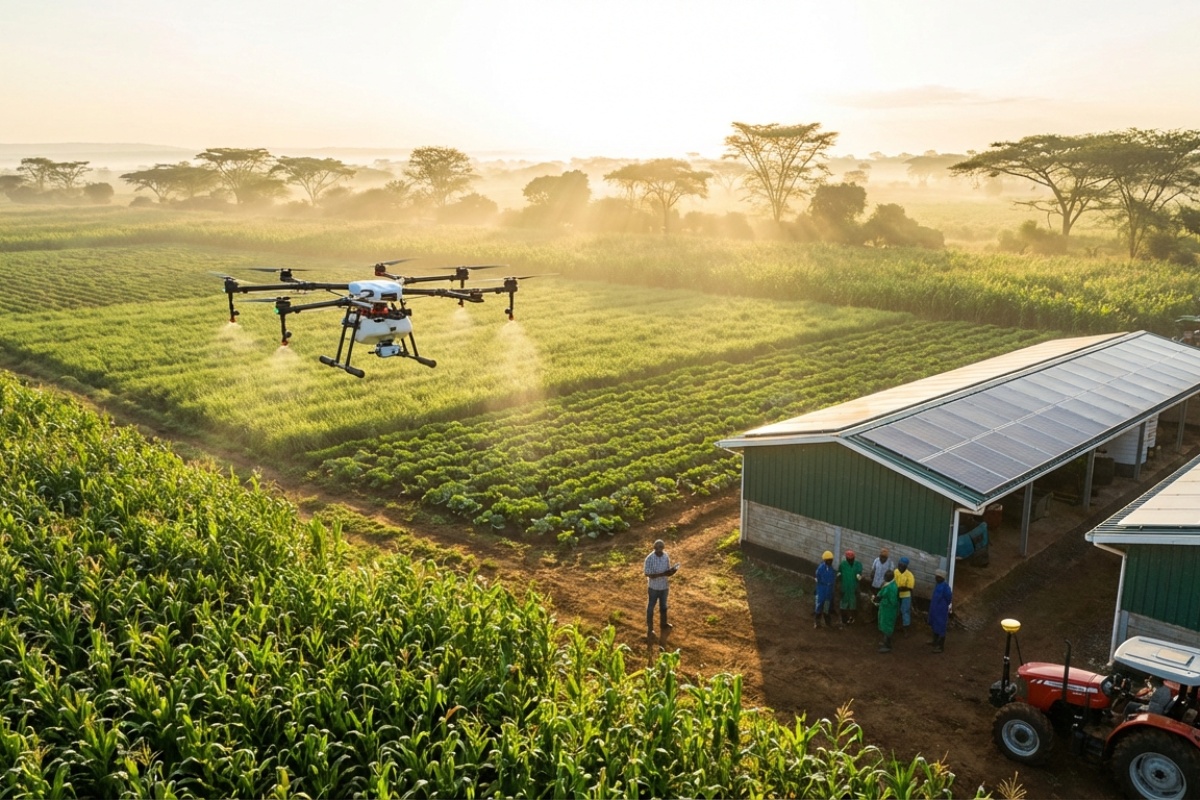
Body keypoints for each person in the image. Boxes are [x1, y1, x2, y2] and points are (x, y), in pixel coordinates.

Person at [643, 539, 677, 641]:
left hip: (664, 587)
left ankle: (663, 624)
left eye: (662, 548)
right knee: (650, 608)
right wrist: (663, 574)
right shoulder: (649, 559)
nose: (660, 550)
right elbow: (647, 574)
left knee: (663, 607)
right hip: (653, 587)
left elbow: (667, 570)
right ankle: (650, 629)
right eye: (658, 548)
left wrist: (672, 572)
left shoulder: (665, 556)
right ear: (654, 548)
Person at [875, 569, 899, 653]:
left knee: (887, 626)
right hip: (885, 608)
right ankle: (885, 642)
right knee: (884, 624)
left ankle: (887, 645)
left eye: (886, 576)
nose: (884, 578)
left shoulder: (891, 587)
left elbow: (893, 601)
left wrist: (881, 599)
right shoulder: (890, 584)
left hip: (889, 609)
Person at [928, 568, 952, 653]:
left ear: (943, 578)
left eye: (938, 577)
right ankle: (935, 641)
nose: (937, 579)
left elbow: (949, 598)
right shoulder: (938, 585)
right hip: (935, 609)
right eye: (936, 577)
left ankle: (940, 647)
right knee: (935, 624)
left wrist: (943, 606)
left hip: (941, 610)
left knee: (941, 627)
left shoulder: (946, 587)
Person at [837, 550, 863, 625]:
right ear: (846, 558)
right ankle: (843, 619)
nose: (850, 560)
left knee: (853, 604)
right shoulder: (843, 565)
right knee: (843, 603)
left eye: (852, 558)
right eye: (849, 559)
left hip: (853, 587)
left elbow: (859, 574)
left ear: (854, 558)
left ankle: (852, 618)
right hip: (845, 587)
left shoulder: (858, 565)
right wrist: (839, 582)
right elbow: (839, 573)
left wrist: (859, 576)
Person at [869, 547, 894, 621]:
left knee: (881, 603)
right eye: (881, 556)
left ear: (887, 557)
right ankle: (873, 617)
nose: (882, 558)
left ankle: (880, 618)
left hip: (884, 587)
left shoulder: (890, 563)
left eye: (884, 557)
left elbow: (891, 575)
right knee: (874, 601)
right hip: (875, 585)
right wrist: (872, 576)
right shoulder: (876, 560)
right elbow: (873, 570)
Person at [814, 550, 836, 629]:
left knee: (827, 604)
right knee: (820, 603)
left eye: (831, 560)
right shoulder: (821, 568)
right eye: (828, 560)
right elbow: (818, 578)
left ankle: (827, 622)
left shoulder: (831, 569)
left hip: (829, 589)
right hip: (822, 588)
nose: (830, 561)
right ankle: (817, 622)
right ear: (825, 560)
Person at [894, 556, 915, 633]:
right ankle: (897, 625)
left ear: (906, 566)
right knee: (896, 609)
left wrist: (901, 588)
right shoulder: (895, 572)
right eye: (899, 565)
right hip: (896, 594)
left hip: (905, 595)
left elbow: (910, 587)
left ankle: (906, 628)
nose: (900, 567)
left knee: (905, 611)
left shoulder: (909, 575)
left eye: (902, 566)